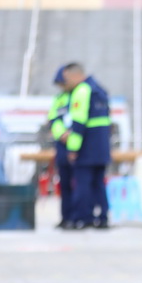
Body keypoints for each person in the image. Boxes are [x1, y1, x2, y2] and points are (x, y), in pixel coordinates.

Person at [60, 63, 112, 230]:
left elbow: (79, 122)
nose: (67, 82)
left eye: (67, 79)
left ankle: (82, 218)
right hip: (102, 147)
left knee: (82, 184)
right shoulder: (100, 90)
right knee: (99, 184)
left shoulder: (81, 91)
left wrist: (73, 148)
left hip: (86, 148)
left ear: (76, 76)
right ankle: (103, 218)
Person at [47, 66, 75, 228]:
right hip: (63, 145)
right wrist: (62, 134)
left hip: (77, 145)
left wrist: (73, 134)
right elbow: (53, 119)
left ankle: (77, 216)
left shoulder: (79, 95)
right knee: (64, 184)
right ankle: (66, 217)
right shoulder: (59, 99)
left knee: (77, 183)